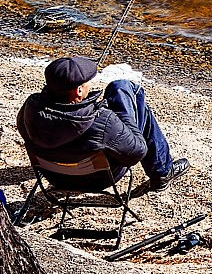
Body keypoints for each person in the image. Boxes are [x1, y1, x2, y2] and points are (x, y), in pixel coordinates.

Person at [18, 56, 190, 192]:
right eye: (87, 82)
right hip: (99, 178)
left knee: (119, 89)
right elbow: (137, 152)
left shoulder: (30, 107)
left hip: (54, 176)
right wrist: (122, 116)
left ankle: (162, 173)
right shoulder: (102, 121)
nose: (90, 84)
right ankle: (162, 173)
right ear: (78, 90)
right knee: (123, 89)